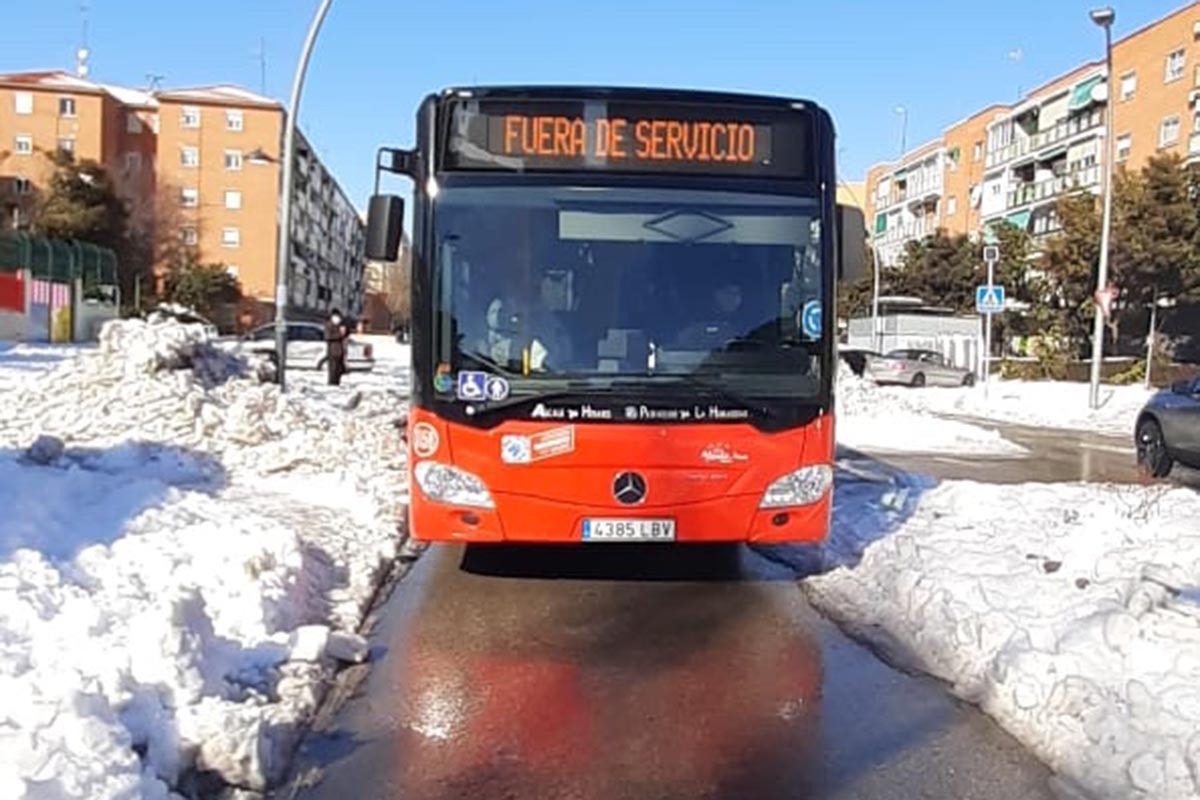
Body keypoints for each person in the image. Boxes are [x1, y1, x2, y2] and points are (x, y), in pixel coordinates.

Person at [672, 281, 748, 349]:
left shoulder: (749, 324)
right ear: (716, 294)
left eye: (737, 293)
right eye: (728, 292)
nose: (733, 297)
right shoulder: (696, 318)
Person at [324, 308, 349, 385]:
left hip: (340, 350)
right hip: (332, 350)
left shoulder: (340, 324)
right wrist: (340, 335)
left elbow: (346, 333)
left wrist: (345, 331)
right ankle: (332, 382)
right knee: (333, 368)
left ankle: (337, 382)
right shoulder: (329, 324)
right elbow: (328, 336)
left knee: (338, 369)